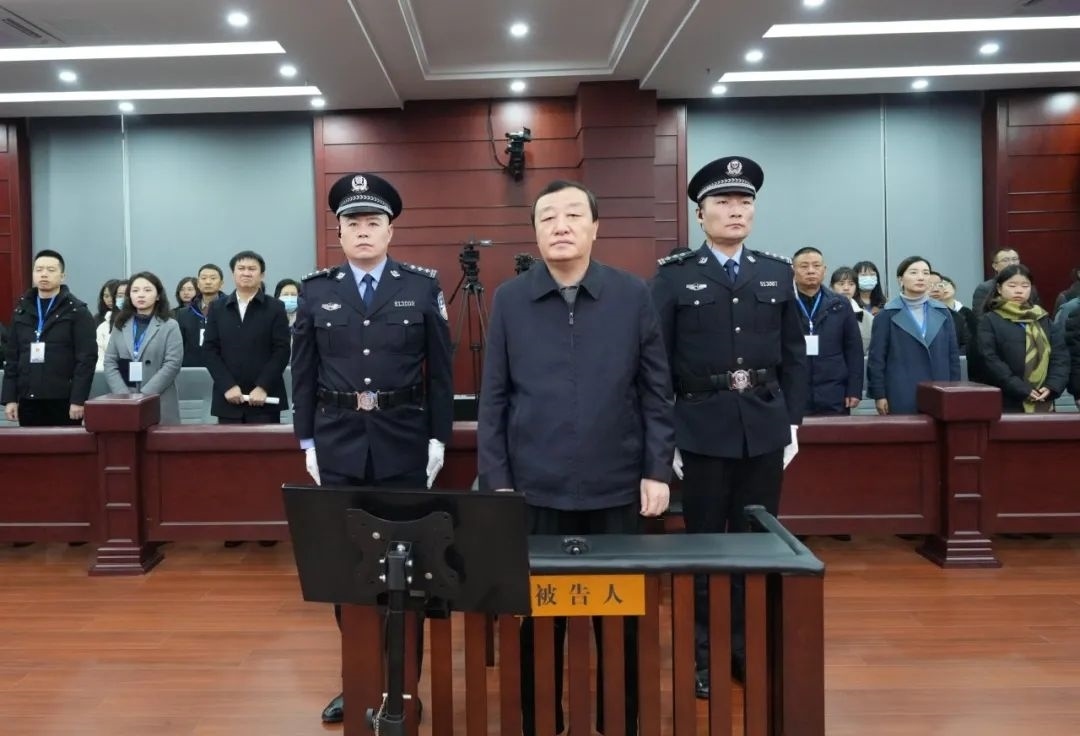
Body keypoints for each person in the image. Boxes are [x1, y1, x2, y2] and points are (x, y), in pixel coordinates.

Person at [478, 180, 674, 736]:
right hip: (533, 489)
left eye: (572, 215)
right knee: (537, 618)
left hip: (617, 485)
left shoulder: (632, 294)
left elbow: (656, 391)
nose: (560, 226)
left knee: (620, 615)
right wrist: (497, 481)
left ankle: (620, 719)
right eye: (547, 217)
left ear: (594, 227)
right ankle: (541, 720)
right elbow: (494, 398)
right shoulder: (510, 299)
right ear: (535, 232)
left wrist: (657, 469)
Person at [291, 172, 453, 724]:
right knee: (349, 569)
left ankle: (403, 689)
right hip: (338, 445)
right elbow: (303, 373)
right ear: (338, 232)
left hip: (403, 443)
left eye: (373, 222)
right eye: (352, 222)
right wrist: (307, 440)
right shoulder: (316, 290)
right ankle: (359, 680)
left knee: (409, 569)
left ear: (390, 230)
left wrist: (438, 438)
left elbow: (441, 373)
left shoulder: (421, 287)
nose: (363, 231)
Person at [650, 156, 807, 699]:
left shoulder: (776, 272)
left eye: (744, 202)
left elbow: (793, 357)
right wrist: (666, 434)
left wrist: (793, 423)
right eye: (723, 202)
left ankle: (748, 649)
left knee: (757, 545)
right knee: (706, 546)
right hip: (700, 428)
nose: (736, 211)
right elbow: (656, 363)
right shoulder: (674, 276)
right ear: (701, 214)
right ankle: (706, 655)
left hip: (763, 426)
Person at [2, 250, 97, 426]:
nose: (44, 274)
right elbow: (12, 357)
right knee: (30, 443)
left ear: (62, 276)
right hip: (28, 398)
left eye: (51, 270)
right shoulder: (21, 310)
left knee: (64, 443)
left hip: (64, 400)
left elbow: (86, 359)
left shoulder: (77, 311)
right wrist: (10, 398)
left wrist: (78, 399)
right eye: (39, 270)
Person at [203, 251, 291, 425]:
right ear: (233, 273)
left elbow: (282, 351)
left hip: (265, 399)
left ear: (262, 275)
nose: (246, 273)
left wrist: (263, 386)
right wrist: (227, 385)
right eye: (241, 268)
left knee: (264, 444)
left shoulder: (275, 307)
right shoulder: (217, 308)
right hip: (228, 398)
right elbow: (209, 350)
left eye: (252, 269)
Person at [866, 256, 961, 415]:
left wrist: (955, 389)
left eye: (925, 273)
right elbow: (876, 359)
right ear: (900, 280)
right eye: (914, 272)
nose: (921, 277)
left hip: (939, 388)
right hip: (901, 391)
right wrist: (879, 394)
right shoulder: (886, 315)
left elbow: (953, 356)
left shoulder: (943, 312)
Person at [976, 264, 1067, 413]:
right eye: (1012, 285)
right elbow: (989, 358)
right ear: (999, 288)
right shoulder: (990, 320)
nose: (1019, 290)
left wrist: (1052, 385)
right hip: (1006, 400)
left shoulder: (1042, 318)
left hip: (1043, 399)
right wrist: (1020, 388)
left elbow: (1060, 355)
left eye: (1025, 286)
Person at [103, 272, 184, 424]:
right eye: (135, 290)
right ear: (129, 296)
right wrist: (123, 395)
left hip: (159, 398)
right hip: (124, 400)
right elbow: (109, 362)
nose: (141, 295)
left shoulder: (170, 325)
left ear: (158, 295)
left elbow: (173, 364)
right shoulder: (120, 324)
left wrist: (145, 395)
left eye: (147, 290)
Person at [792, 248, 863, 416]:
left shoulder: (840, 304)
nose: (811, 270)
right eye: (804, 266)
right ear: (793, 270)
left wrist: (854, 389)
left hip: (834, 391)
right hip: (793, 390)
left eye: (816, 266)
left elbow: (853, 349)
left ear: (824, 270)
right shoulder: (783, 302)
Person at [176, 263, 224, 367]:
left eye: (213, 278)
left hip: (223, 369)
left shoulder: (230, 310)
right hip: (191, 370)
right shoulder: (183, 314)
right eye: (203, 278)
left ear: (221, 284)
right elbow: (179, 347)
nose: (208, 282)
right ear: (198, 283)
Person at [972, 248, 1041, 314]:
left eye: (1014, 259)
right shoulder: (985, 288)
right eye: (1005, 260)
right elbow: (979, 316)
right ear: (995, 266)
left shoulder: (1029, 288)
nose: (1011, 263)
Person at [830, 266, 873, 352]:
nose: (846, 288)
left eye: (851, 284)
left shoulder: (868, 318)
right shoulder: (822, 313)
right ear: (832, 287)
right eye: (841, 284)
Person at [929, 271, 972, 351]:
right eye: (930, 285)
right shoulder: (909, 315)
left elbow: (964, 346)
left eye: (940, 285)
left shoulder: (956, 317)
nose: (936, 289)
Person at [95, 280, 128, 370]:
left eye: (126, 295)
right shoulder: (103, 325)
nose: (109, 300)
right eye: (119, 296)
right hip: (109, 371)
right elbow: (100, 356)